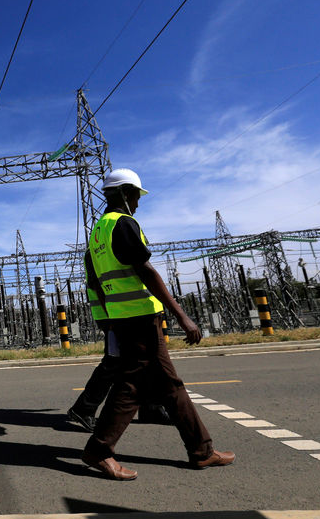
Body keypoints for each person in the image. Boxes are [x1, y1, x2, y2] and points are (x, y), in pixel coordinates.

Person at [80, 169, 235, 481]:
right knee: (132, 385)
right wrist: (181, 314)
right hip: (140, 318)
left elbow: (95, 283)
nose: (138, 202)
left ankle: (202, 451)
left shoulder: (97, 232)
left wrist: (107, 322)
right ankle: (99, 449)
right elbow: (146, 270)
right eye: (136, 194)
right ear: (124, 193)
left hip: (125, 319)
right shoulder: (122, 223)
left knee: (168, 385)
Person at [66, 250, 172, 433]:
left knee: (141, 358)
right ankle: (83, 408)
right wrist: (111, 317)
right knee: (114, 361)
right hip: (113, 315)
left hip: (125, 312)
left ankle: (150, 407)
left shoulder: (106, 247)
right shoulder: (97, 250)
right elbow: (95, 283)